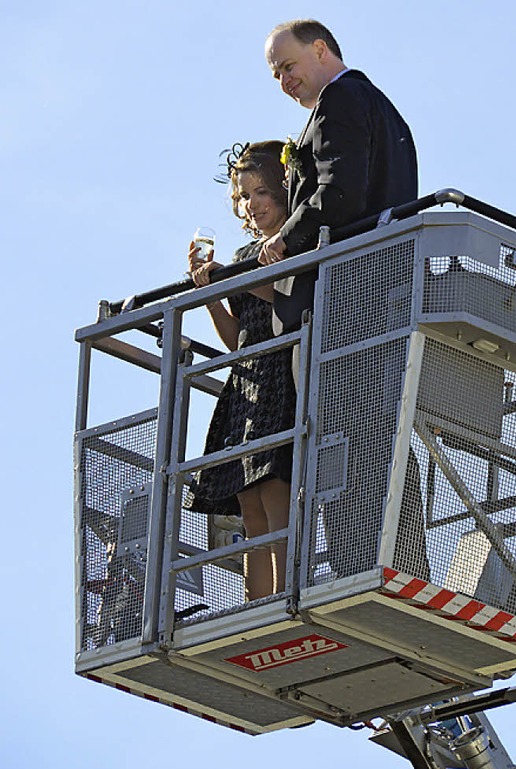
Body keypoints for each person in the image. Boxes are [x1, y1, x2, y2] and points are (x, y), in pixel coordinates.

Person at [183, 141, 296, 601]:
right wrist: (211, 291)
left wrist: (246, 279)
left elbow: (293, 307)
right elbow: (237, 339)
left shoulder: (293, 241)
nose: (254, 204)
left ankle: (285, 596)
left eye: (263, 192)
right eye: (246, 196)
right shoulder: (248, 251)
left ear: (285, 193)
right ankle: (257, 605)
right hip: (247, 378)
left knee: (273, 491)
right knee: (248, 501)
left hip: (279, 374)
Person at [259, 18, 418, 337]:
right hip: (381, 288)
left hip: (340, 298)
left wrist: (285, 238)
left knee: (325, 387)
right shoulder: (384, 110)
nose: (284, 81)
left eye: (288, 66)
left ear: (319, 49)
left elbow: (339, 194)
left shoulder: (339, 97)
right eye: (277, 75)